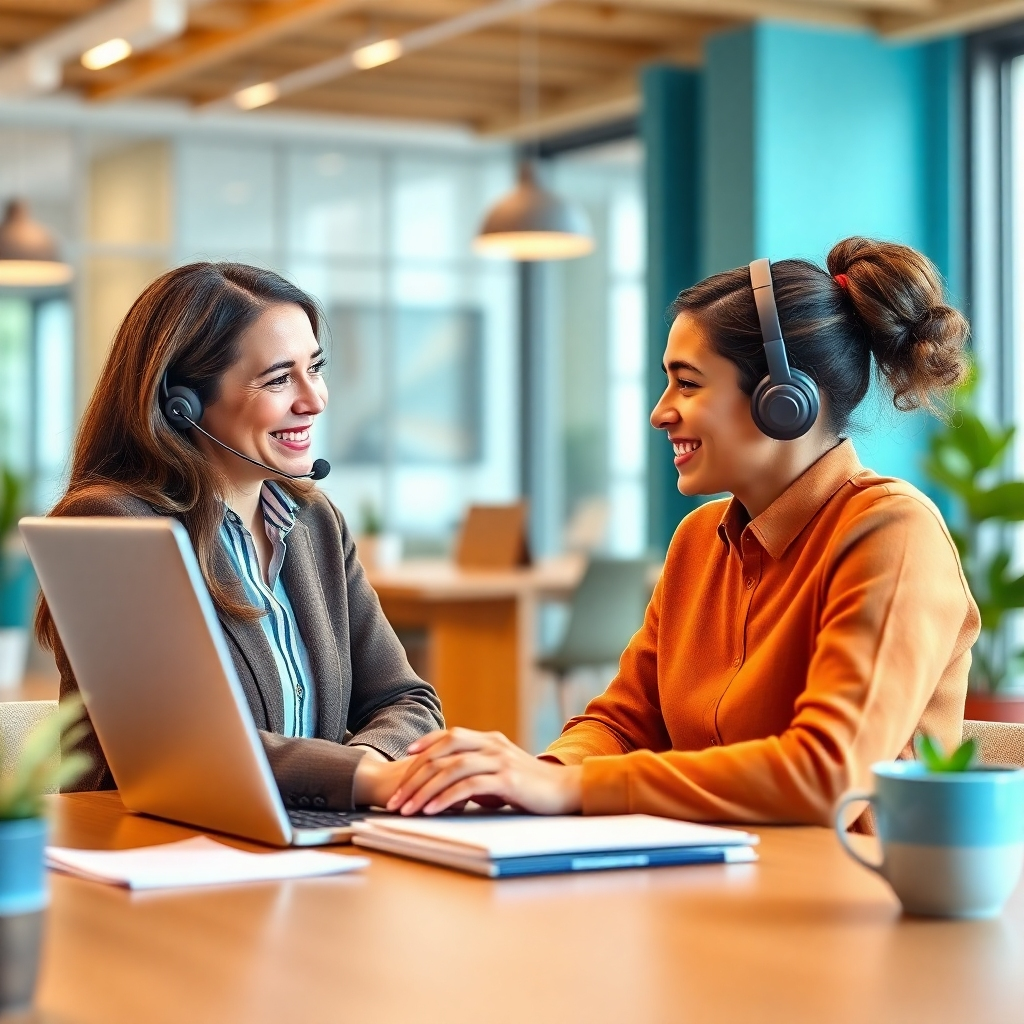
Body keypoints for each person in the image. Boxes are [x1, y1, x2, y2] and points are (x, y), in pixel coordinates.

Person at [383, 237, 981, 825]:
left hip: (845, 899)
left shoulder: (891, 532)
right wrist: (534, 778)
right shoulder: (699, 540)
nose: (660, 410)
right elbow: (622, 723)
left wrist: (574, 788)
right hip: (710, 884)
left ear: (786, 398)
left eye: (688, 383)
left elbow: (830, 772)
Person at [37, 263, 443, 811]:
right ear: (182, 405)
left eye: (314, 368)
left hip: (312, 839)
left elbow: (405, 700)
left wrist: (368, 768)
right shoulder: (109, 524)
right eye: (279, 379)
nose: (315, 399)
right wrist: (360, 777)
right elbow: (180, 747)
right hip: (155, 851)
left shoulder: (315, 524)